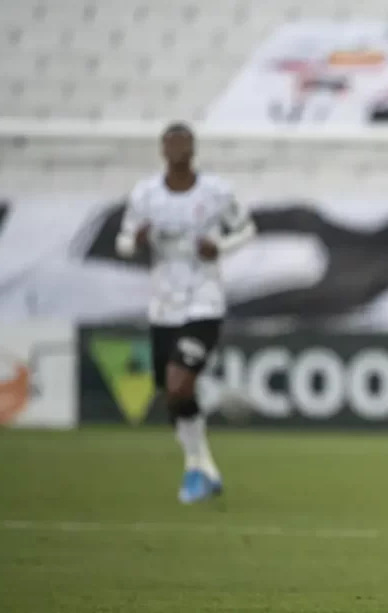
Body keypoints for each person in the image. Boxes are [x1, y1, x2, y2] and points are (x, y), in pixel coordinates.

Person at [116, 123, 256, 504]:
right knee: (175, 395)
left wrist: (221, 245)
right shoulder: (145, 194)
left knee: (179, 383)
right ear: (162, 149)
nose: (178, 148)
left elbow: (247, 229)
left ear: (193, 149)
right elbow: (123, 241)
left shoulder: (215, 192)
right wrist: (137, 242)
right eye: (171, 142)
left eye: (184, 142)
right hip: (164, 306)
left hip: (204, 301)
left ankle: (196, 470)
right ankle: (203, 466)